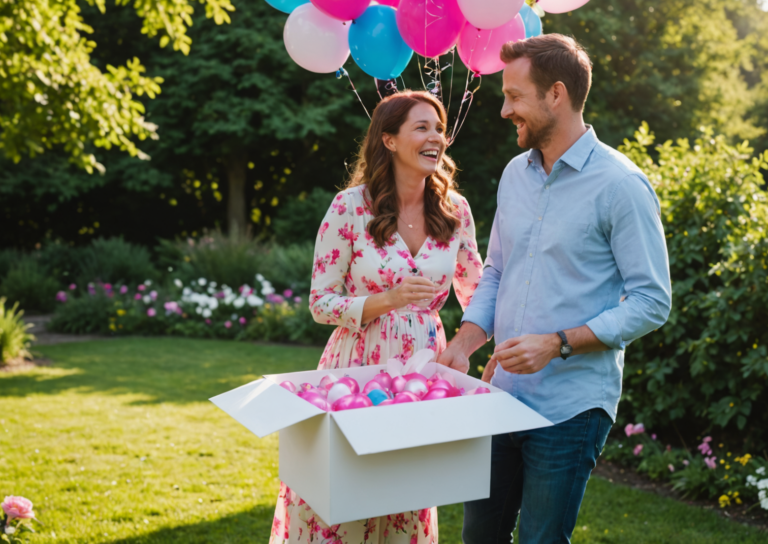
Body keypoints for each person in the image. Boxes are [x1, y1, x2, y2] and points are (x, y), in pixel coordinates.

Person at [437, 34, 673, 543]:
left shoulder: (621, 185)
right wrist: (464, 343)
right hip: (501, 395)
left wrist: (559, 342)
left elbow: (653, 301)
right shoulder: (513, 177)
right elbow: (497, 269)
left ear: (557, 94)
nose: (504, 110)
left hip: (571, 407)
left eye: (515, 96)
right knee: (479, 537)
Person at [269, 90, 484, 544]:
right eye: (422, 127)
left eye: (439, 129)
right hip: (356, 370)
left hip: (421, 375)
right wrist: (386, 299)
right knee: (341, 501)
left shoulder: (455, 211)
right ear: (388, 140)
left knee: (405, 499)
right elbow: (320, 302)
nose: (436, 138)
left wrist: (472, 346)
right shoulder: (349, 207)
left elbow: (479, 295)